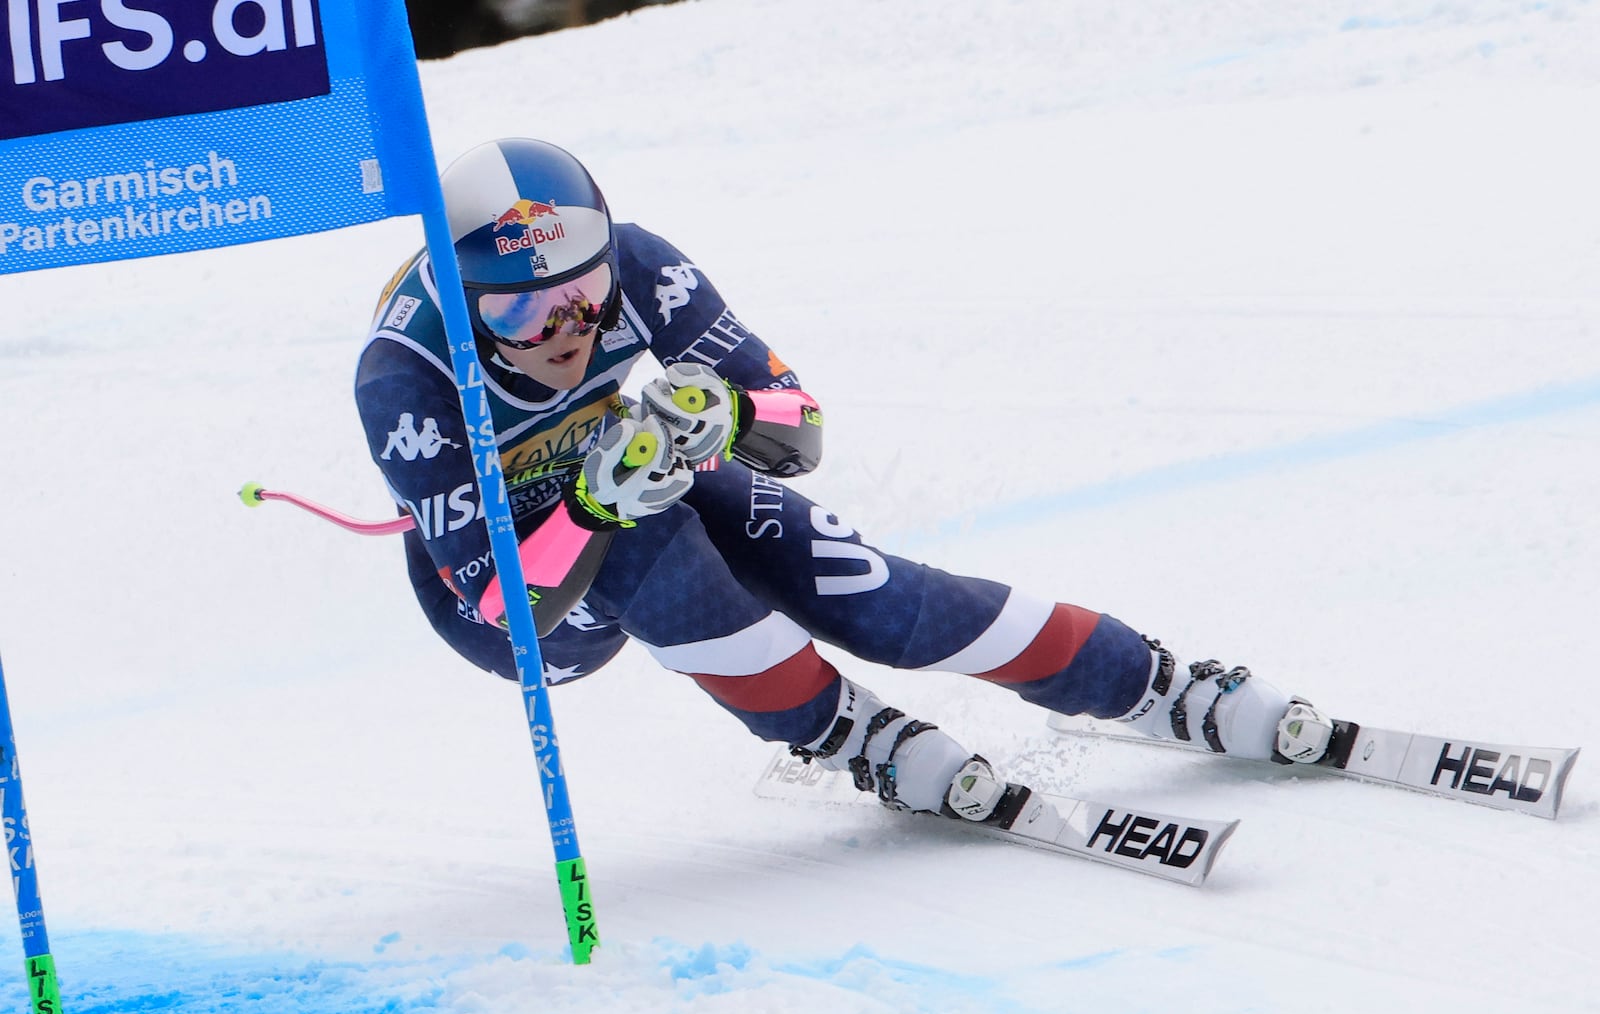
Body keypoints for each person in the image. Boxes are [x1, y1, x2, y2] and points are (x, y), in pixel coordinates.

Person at [354, 138, 1337, 829]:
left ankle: (1156, 681)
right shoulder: (407, 372)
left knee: (864, 586)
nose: (564, 330)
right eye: (523, 313)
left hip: (625, 478)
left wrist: (726, 419)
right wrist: (591, 502)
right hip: (516, 598)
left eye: (580, 295)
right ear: (464, 293)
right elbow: (497, 599)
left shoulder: (641, 265)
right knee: (651, 538)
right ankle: (844, 731)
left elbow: (798, 424)